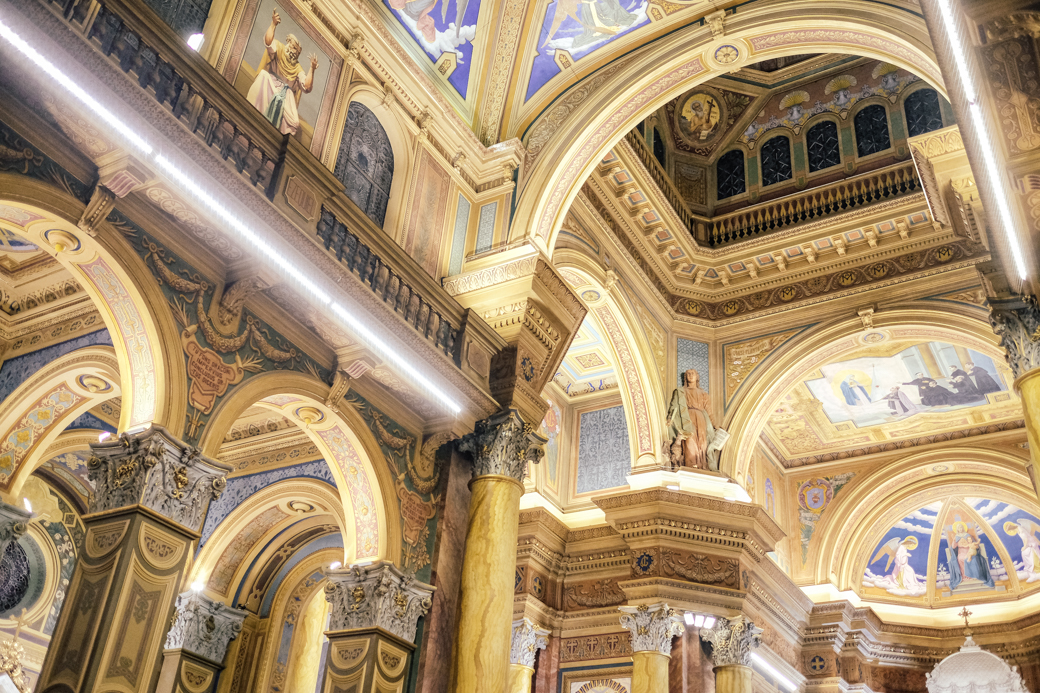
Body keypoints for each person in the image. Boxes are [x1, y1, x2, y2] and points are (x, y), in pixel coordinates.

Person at [246, 9, 319, 136]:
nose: (294, 52)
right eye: (293, 47)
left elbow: (307, 87)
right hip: (269, 84)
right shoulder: (279, 47)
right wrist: (273, 24)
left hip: (286, 94)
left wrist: (312, 69)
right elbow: (268, 43)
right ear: (288, 43)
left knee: (295, 123)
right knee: (263, 76)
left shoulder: (297, 68)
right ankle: (252, 114)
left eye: (297, 51)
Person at [665, 369, 726, 471]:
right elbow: (674, 406)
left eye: (693, 373)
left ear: (697, 376)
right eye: (688, 374)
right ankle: (690, 465)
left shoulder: (703, 393)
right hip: (687, 418)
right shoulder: (681, 391)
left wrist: (715, 425)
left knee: (702, 444)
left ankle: (702, 465)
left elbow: (709, 411)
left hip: (701, 419)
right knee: (690, 441)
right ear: (685, 377)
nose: (690, 375)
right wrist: (670, 417)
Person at [946, 521, 994, 591]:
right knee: (960, 559)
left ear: (963, 528)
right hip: (961, 552)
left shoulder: (967, 535)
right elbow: (953, 547)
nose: (960, 529)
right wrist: (954, 540)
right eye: (959, 528)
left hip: (969, 550)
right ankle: (965, 576)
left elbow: (974, 543)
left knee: (972, 559)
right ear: (957, 529)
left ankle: (973, 575)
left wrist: (974, 547)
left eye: (961, 527)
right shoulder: (956, 537)